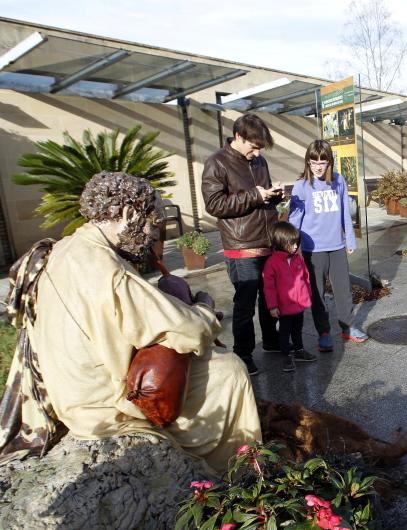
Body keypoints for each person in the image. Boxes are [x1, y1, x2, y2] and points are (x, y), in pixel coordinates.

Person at [0, 171, 261, 474]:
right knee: (229, 370)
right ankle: (234, 472)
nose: (153, 236)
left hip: (70, 396)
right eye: (153, 225)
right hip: (103, 407)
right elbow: (188, 331)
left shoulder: (66, 248)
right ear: (127, 213)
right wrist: (204, 308)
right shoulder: (108, 269)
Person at [202, 113, 284, 376]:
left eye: (260, 147)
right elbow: (214, 205)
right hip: (241, 245)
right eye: (253, 146)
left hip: (267, 240)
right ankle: (244, 354)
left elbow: (262, 198)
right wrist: (254, 195)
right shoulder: (217, 163)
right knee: (245, 303)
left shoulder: (259, 161)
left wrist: (273, 195)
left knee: (269, 297)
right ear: (238, 136)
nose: (257, 152)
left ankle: (271, 342)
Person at [289, 140, 369, 352]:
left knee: (343, 290)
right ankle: (323, 332)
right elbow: (294, 220)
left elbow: (345, 212)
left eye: (322, 161)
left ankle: (348, 327)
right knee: (317, 293)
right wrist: (290, 246)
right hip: (312, 249)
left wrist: (350, 238)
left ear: (329, 162)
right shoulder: (301, 186)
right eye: (313, 161)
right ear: (307, 161)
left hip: (336, 246)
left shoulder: (338, 180)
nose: (317, 166)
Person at [263, 221, 318, 372]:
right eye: (291, 244)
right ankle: (286, 355)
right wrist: (273, 306)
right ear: (280, 242)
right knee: (284, 332)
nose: (295, 247)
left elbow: (305, 278)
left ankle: (299, 350)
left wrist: (308, 296)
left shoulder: (298, 258)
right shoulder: (272, 263)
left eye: (296, 243)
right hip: (284, 307)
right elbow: (269, 287)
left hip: (299, 305)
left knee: (298, 329)